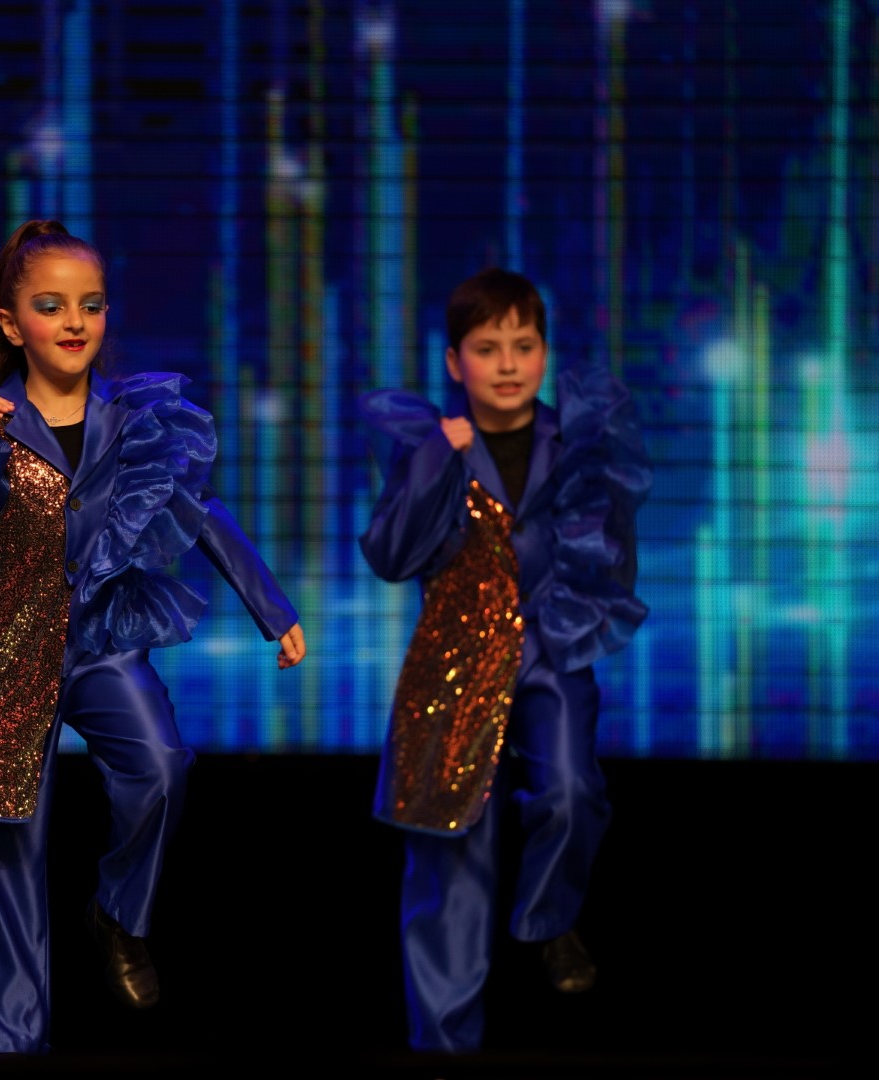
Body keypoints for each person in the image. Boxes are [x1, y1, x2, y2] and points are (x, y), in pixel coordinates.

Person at [0, 218, 306, 1059]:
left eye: (92, 304)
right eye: (51, 306)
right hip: (6, 650)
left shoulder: (136, 418)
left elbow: (200, 512)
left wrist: (273, 608)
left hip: (104, 638)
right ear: (13, 324)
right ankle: (11, 1045)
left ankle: (118, 914)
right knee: (5, 844)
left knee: (161, 767)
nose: (75, 322)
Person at [356, 266, 651, 1055]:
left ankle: (550, 920)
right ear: (455, 361)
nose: (510, 364)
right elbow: (390, 556)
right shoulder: (429, 443)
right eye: (488, 349)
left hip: (552, 649)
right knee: (449, 851)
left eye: (524, 346)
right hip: (452, 661)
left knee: (572, 792)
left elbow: (616, 545)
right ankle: (443, 1044)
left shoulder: (580, 440)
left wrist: (587, 603)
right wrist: (435, 461)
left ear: (545, 353)